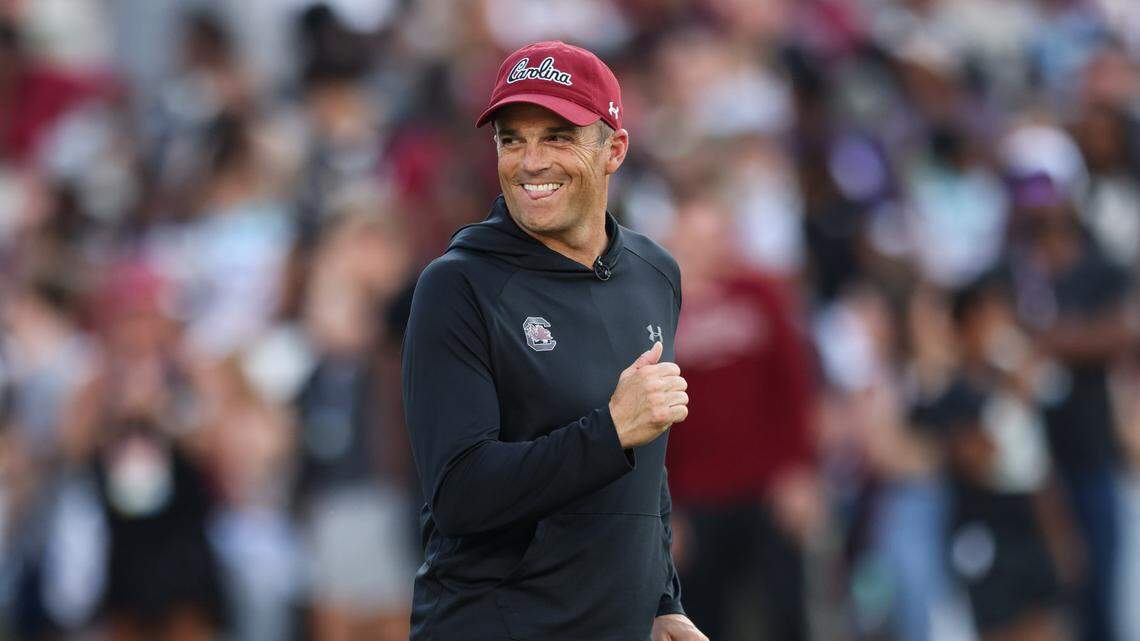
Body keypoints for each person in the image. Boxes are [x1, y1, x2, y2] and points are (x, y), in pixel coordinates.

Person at [401, 41, 705, 641]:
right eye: (512, 139)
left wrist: (661, 597)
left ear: (614, 149)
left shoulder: (655, 273)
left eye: (558, 137)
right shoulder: (457, 286)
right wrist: (609, 431)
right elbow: (460, 492)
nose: (530, 161)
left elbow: (646, 460)